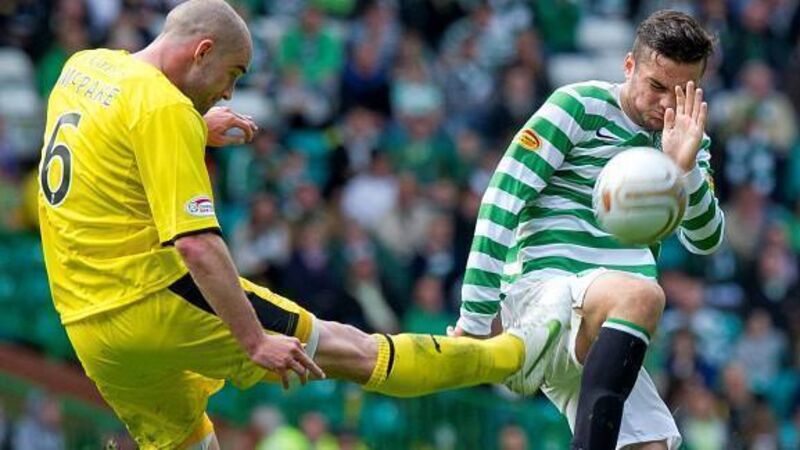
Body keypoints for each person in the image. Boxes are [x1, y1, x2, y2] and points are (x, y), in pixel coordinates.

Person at [37, 1, 552, 449]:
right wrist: (254, 340)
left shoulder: (84, 68)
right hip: (152, 299)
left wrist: (192, 125)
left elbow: (113, 141)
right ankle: (512, 353)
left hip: (87, 325)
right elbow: (196, 245)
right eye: (232, 75)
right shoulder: (164, 109)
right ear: (203, 52)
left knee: (186, 442)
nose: (228, 94)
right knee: (354, 350)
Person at [451, 10, 725, 450]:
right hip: (548, 297)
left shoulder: (689, 141)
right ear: (629, 65)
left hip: (611, 326)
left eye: (680, 93)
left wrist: (684, 168)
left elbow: (705, 239)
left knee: (650, 447)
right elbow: (502, 200)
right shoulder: (577, 106)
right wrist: (475, 320)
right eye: (657, 86)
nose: (667, 105)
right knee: (643, 295)